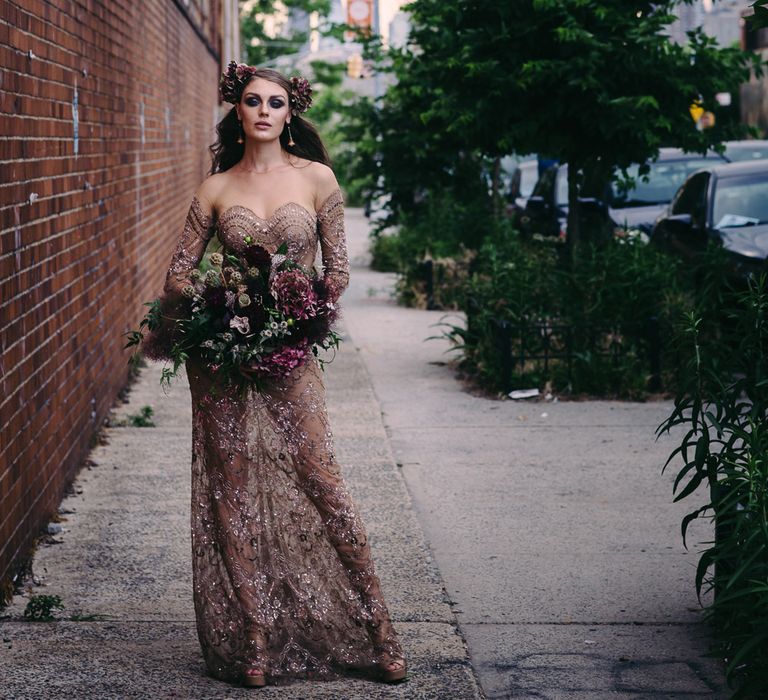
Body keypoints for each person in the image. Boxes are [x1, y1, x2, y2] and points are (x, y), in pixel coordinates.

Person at [143, 62, 408, 688]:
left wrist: (296, 301)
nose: (265, 110)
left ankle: (379, 629)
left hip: (290, 351)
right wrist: (223, 297)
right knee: (232, 489)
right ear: (238, 110)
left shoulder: (317, 179)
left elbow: (338, 271)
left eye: (278, 102)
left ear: (292, 113)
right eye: (254, 101)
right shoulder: (214, 188)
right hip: (224, 358)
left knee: (321, 476)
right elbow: (177, 275)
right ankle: (255, 639)